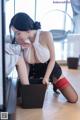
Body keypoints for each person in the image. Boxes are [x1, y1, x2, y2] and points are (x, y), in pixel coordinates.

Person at [9, 12, 78, 103]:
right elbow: (23, 64)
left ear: (27, 29)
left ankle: (54, 82)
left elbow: (53, 59)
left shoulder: (46, 35)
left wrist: (46, 77)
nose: (16, 37)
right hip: (32, 71)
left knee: (73, 98)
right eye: (15, 34)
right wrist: (26, 83)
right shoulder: (20, 42)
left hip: (50, 68)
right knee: (20, 97)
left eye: (18, 33)